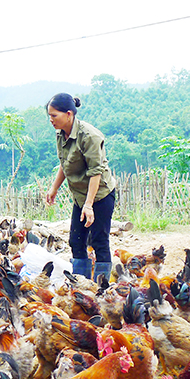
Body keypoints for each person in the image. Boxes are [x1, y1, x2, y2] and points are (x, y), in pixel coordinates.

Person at [44, 93, 116, 282]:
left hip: (100, 195)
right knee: (76, 241)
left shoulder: (89, 136)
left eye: (54, 115)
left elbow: (96, 172)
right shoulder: (60, 134)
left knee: (99, 241)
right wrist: (54, 188)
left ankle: (101, 289)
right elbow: (64, 162)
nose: (51, 120)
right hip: (80, 196)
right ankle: (81, 287)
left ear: (69, 114)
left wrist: (89, 205)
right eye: (49, 116)